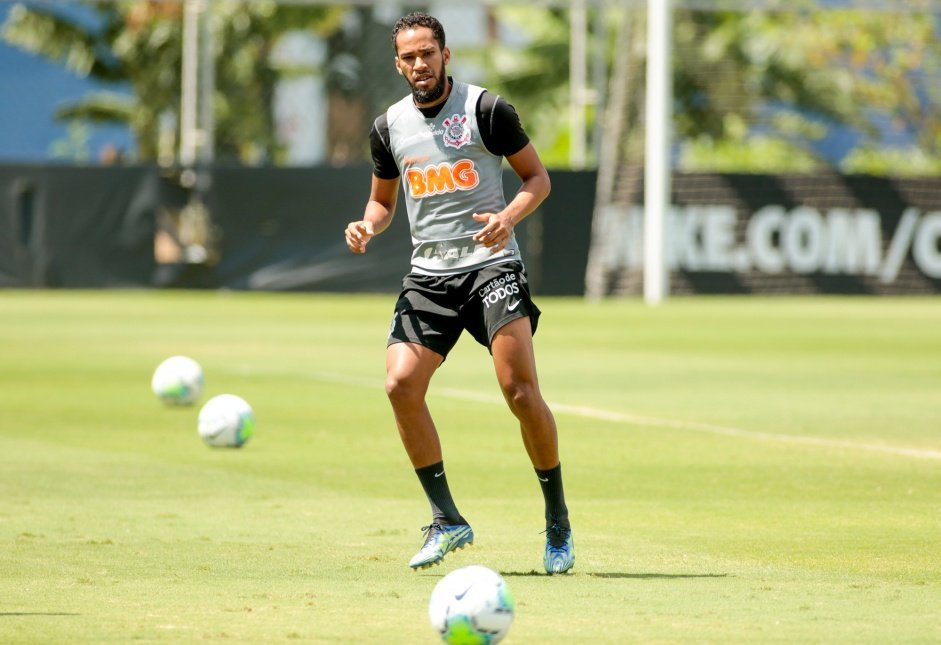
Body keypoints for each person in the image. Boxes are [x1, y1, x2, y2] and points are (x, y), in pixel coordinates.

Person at [344, 11, 574, 574]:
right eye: (409, 57)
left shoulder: (487, 110)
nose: (419, 64)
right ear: (397, 64)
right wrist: (368, 225)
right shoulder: (387, 127)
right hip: (430, 276)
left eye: (428, 53)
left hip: (492, 267)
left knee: (519, 392)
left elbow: (536, 179)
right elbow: (383, 202)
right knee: (400, 384)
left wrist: (508, 217)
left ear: (445, 55)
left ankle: (557, 520)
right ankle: (447, 519)